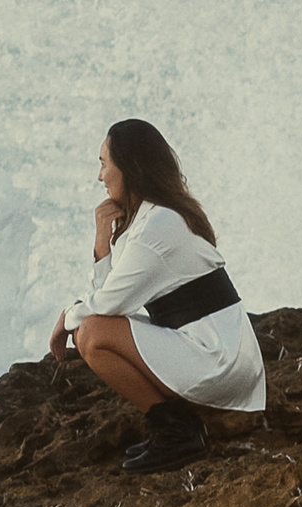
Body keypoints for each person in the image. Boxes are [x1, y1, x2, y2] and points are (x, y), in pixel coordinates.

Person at [48, 117, 267, 471]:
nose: (99, 176)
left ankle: (179, 433)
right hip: (213, 352)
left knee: (90, 333)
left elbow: (104, 306)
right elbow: (109, 300)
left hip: (218, 360)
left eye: (104, 163)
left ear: (129, 166)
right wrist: (102, 245)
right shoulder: (154, 219)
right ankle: (175, 427)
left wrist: (65, 317)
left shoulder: (159, 227)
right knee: (91, 328)